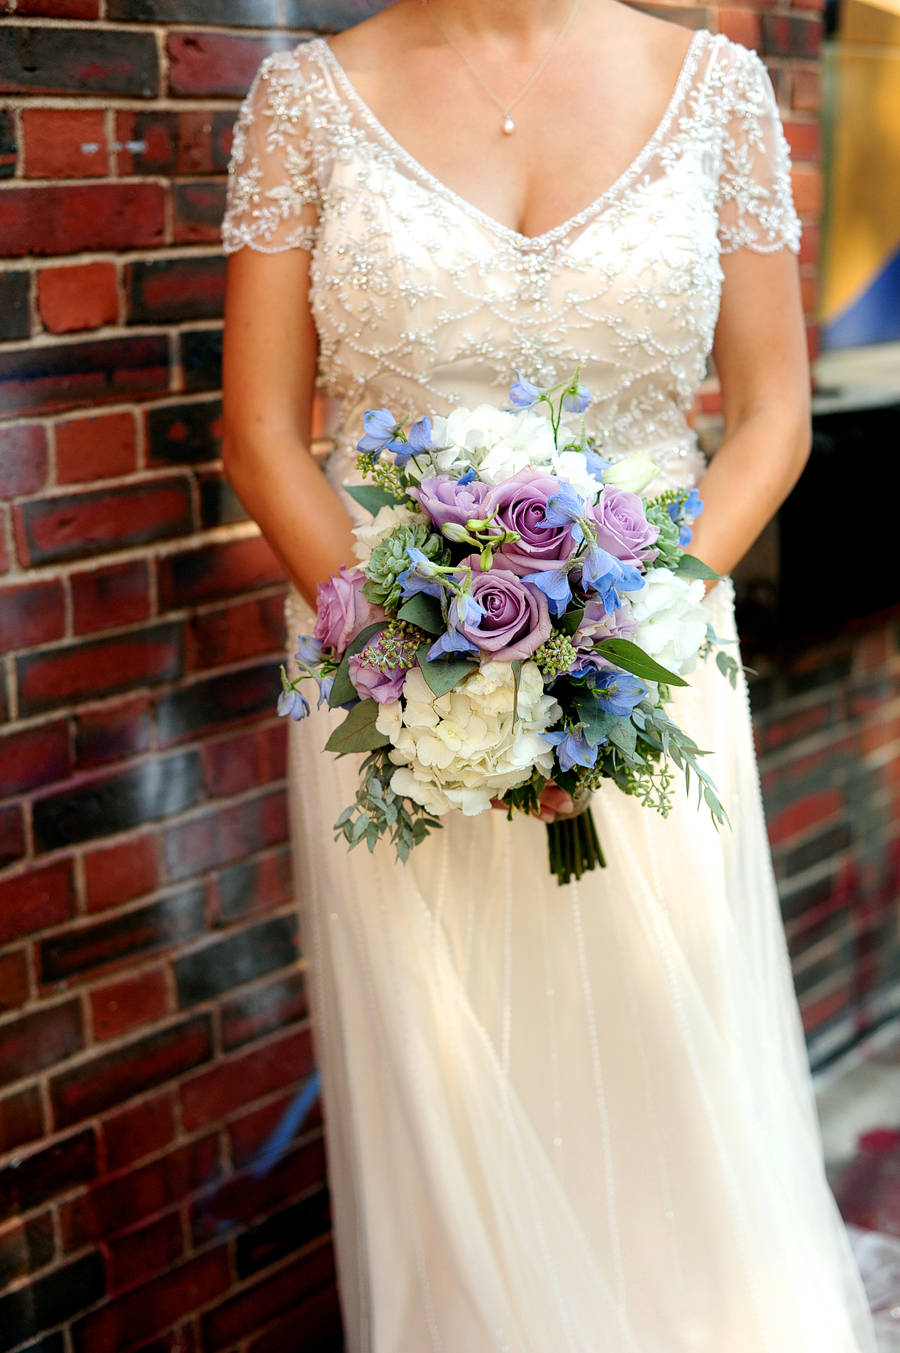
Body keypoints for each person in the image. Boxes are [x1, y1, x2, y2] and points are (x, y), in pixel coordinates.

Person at [220, 2, 877, 1348]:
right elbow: (259, 434)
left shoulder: (720, 90)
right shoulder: (303, 102)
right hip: (390, 683)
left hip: (656, 669)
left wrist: (623, 632)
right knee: (457, 1098)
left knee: (672, 1073)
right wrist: (410, 651)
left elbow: (772, 412)